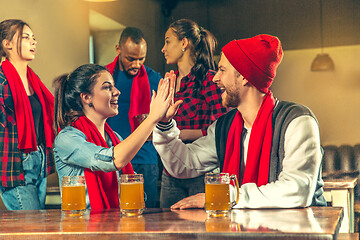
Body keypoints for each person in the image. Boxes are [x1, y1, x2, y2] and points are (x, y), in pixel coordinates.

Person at [153, 34, 326, 209]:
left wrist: (222, 196)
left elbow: (297, 190)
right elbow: (185, 164)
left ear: (244, 76)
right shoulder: (225, 127)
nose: (215, 78)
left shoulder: (297, 121)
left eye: (222, 70)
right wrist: (165, 124)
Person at [53, 64, 177, 210]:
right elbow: (113, 160)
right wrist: (152, 118)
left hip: (116, 224)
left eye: (114, 86)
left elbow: (133, 189)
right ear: (86, 97)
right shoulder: (67, 138)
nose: (117, 92)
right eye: (107, 87)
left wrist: (163, 120)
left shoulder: (114, 138)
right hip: (82, 228)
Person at [159, 19, 228, 208]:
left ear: (184, 43)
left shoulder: (210, 79)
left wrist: (177, 134)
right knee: (167, 229)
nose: (163, 49)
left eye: (167, 41)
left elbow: (222, 129)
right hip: (170, 171)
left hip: (202, 172)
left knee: (204, 231)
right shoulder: (169, 82)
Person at [0, 19, 55, 210]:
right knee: (33, 228)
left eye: (34, 38)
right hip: (15, 165)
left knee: (39, 227)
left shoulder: (34, 79)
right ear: (6, 44)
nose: (33, 42)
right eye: (25, 37)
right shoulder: (1, 80)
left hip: (39, 162)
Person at [106, 27, 162, 208]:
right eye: (131, 58)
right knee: (111, 215)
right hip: (110, 157)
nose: (136, 64)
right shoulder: (103, 77)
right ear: (118, 49)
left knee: (148, 218)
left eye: (141, 59)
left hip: (145, 158)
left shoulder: (155, 79)